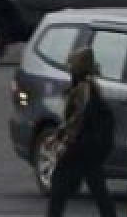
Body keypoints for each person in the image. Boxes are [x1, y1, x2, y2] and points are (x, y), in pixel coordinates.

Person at [46, 47, 116, 217]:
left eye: (72, 64)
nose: (69, 67)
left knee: (58, 183)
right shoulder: (92, 86)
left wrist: (59, 137)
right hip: (92, 146)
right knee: (98, 186)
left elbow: (77, 119)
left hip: (81, 145)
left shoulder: (82, 89)